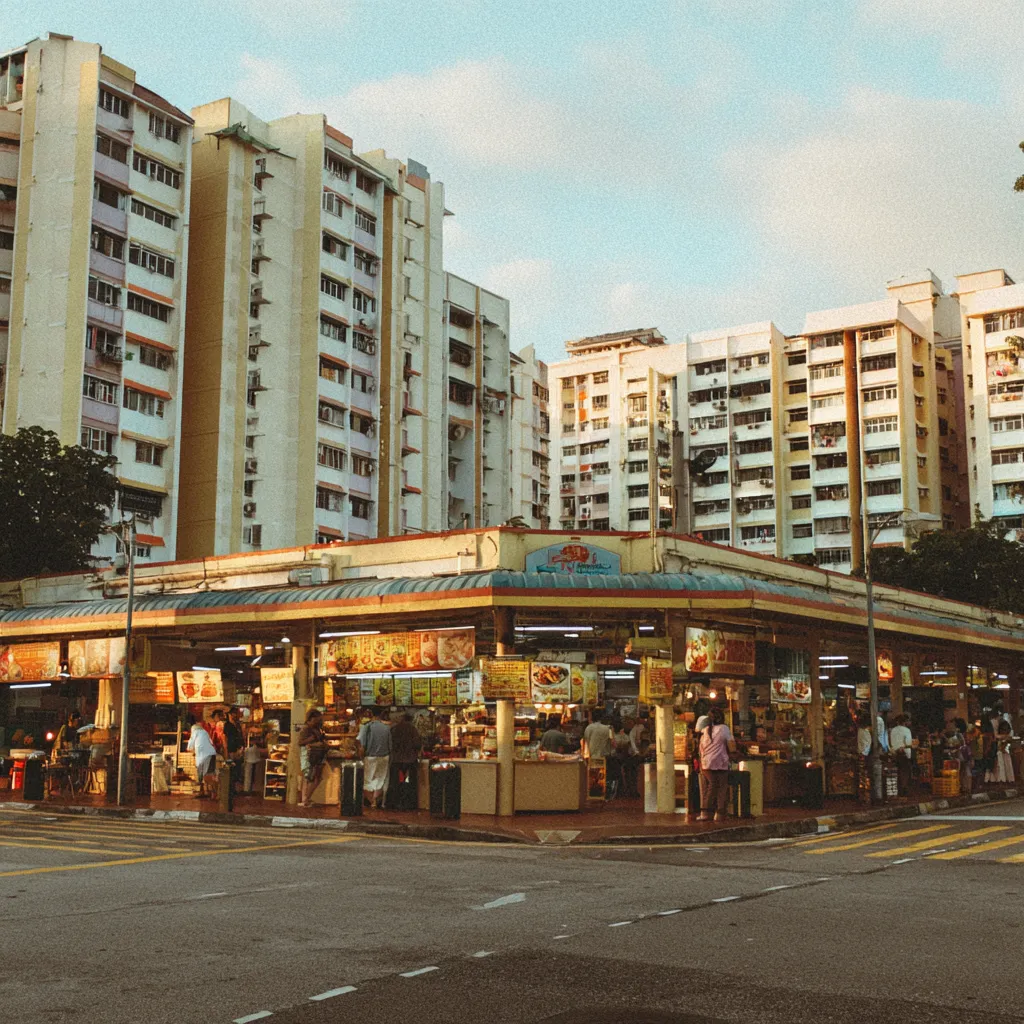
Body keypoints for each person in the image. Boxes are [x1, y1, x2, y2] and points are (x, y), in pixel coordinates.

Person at [698, 706, 736, 821]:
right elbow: (732, 747)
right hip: (720, 762)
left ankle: (705, 813)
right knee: (722, 788)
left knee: (711, 787)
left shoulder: (705, 730)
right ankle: (719, 814)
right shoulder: (724, 728)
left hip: (706, 763)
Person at [357, 707, 392, 809]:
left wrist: (360, 756)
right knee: (380, 780)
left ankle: (371, 801)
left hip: (370, 757)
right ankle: (376, 802)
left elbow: (361, 744)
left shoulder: (366, 727)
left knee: (368, 781)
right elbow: (390, 745)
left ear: (371, 713)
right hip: (384, 757)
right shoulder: (386, 728)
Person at [387, 712, 420, 811]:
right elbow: (417, 744)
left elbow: (390, 744)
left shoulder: (394, 729)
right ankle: (409, 804)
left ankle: (395, 803)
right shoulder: (413, 730)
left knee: (396, 782)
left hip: (396, 760)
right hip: (409, 761)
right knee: (409, 783)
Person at [297, 708, 327, 808]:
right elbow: (300, 742)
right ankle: (305, 799)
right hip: (310, 756)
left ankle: (306, 798)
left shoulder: (316, 728)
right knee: (309, 777)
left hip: (317, 755)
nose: (318, 721)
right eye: (316, 719)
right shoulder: (306, 728)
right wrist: (312, 740)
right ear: (311, 718)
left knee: (315, 777)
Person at [187, 717, 218, 798]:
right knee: (203, 775)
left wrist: (192, 750)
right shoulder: (204, 732)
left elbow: (190, 745)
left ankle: (215, 793)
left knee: (206, 775)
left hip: (205, 756)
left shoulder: (195, 731)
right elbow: (210, 742)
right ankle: (205, 792)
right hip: (209, 754)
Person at [888, 713, 913, 796]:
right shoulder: (906, 730)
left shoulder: (893, 730)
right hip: (904, 753)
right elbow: (908, 743)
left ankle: (897, 790)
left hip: (894, 753)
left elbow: (891, 742)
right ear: (905, 722)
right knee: (904, 772)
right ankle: (903, 790)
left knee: (896, 772)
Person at [222, 707, 245, 793]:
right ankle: (230, 788)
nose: (235, 715)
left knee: (237, 768)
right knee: (231, 768)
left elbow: (241, 735)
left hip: (238, 749)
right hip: (231, 749)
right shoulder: (227, 725)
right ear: (230, 715)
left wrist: (242, 747)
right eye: (234, 714)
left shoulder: (238, 725)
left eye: (236, 714)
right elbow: (224, 738)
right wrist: (226, 750)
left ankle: (235, 787)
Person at [986, 720, 1015, 784]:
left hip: (1004, 754)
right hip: (1000, 754)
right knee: (1000, 767)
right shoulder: (1001, 737)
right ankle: (1001, 779)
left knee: (1005, 767)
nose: (1005, 731)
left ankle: (1005, 779)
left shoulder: (1006, 737)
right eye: (1004, 729)